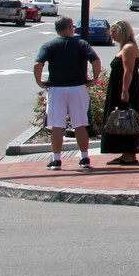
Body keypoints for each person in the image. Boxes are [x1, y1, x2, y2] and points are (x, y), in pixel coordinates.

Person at [32, 17, 101, 170]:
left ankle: (56, 160)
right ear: (70, 28)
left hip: (57, 88)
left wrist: (39, 82)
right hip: (78, 88)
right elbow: (96, 61)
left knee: (57, 125)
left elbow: (38, 64)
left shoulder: (49, 45)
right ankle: (84, 158)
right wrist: (94, 79)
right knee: (80, 124)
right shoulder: (81, 44)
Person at [100, 19, 139, 166]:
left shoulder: (129, 48)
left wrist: (125, 91)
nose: (111, 34)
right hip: (121, 87)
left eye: (114, 31)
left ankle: (129, 153)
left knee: (127, 119)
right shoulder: (125, 47)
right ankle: (126, 152)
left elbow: (129, 70)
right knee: (122, 120)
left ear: (122, 31)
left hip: (127, 88)